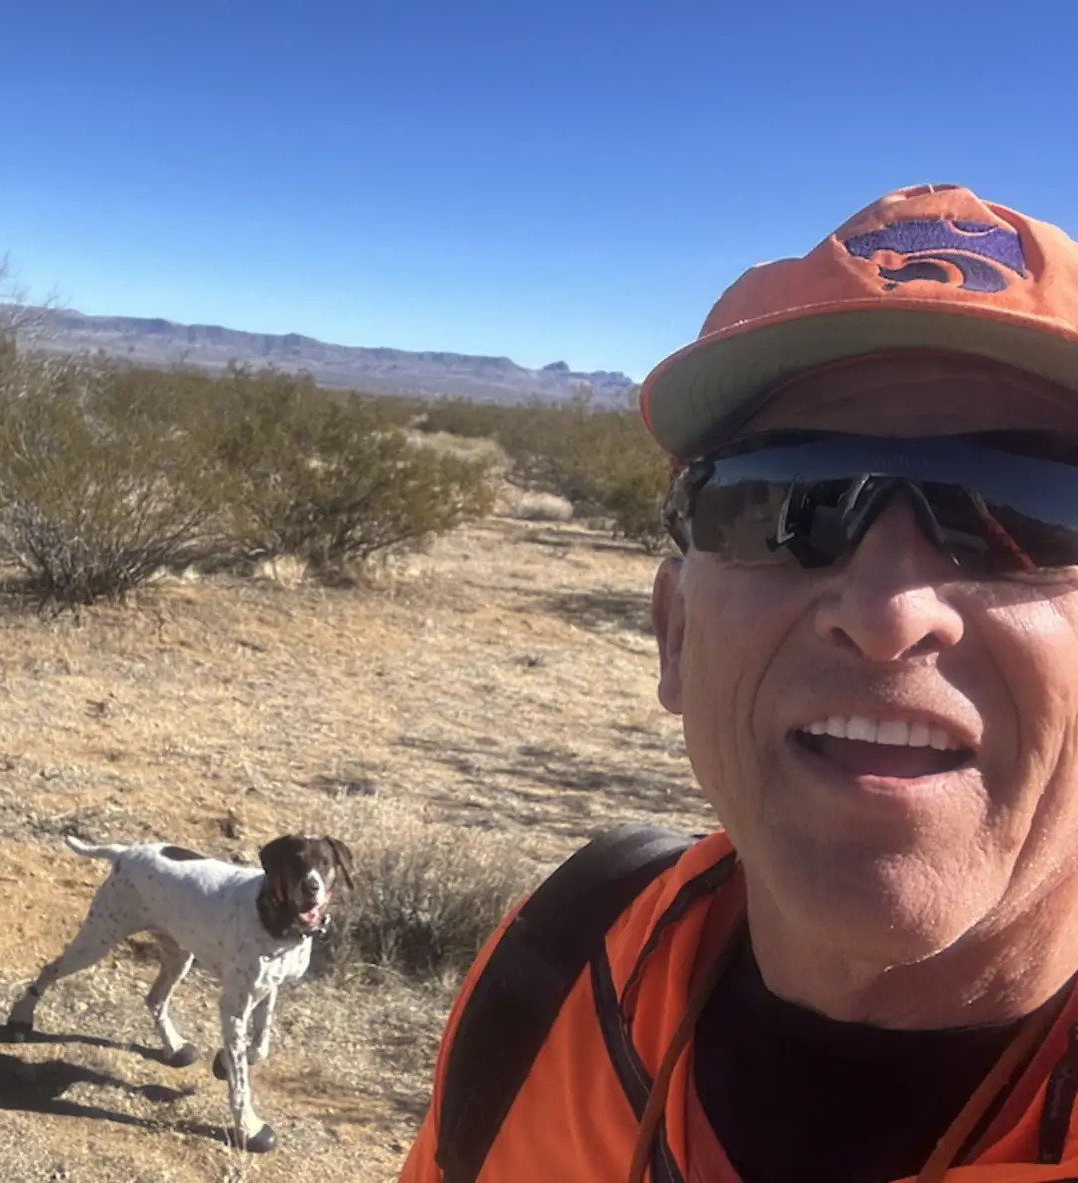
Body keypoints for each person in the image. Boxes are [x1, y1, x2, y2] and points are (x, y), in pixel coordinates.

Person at [398, 183, 1078, 1183]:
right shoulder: (560, 973)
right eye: (782, 504)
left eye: (1031, 508)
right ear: (674, 634)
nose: (888, 613)